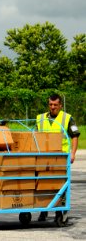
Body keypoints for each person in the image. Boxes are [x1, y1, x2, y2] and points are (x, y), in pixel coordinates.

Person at [36, 93, 80, 222]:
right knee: (42, 184)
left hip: (61, 157)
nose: (53, 107)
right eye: (50, 104)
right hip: (44, 157)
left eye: (55, 105)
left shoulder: (67, 118)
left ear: (60, 105)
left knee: (60, 185)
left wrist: (73, 154)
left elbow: (75, 136)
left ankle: (60, 211)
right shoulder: (41, 118)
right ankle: (43, 210)